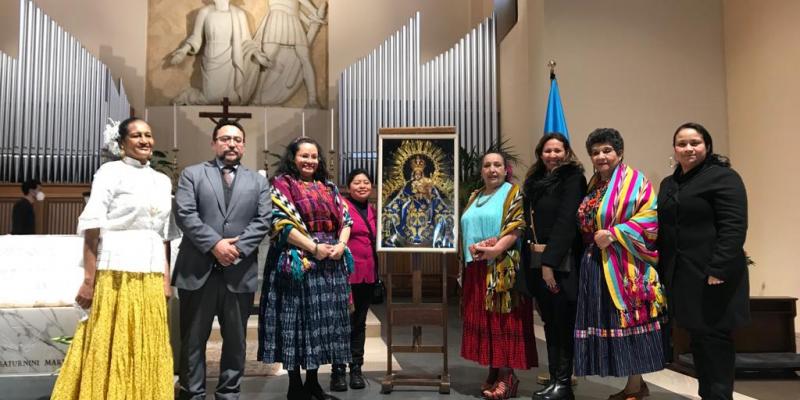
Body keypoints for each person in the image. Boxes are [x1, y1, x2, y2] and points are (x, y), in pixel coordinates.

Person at [51, 117, 177, 399]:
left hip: (151, 271)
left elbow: (164, 235)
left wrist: (166, 280)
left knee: (148, 340)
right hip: (115, 270)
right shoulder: (109, 172)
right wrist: (88, 280)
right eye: (136, 136)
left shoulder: (161, 179)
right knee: (111, 340)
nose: (144, 140)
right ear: (122, 143)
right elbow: (92, 227)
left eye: (148, 134)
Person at [173, 120, 271, 400]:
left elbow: (263, 220)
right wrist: (215, 244)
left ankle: (229, 393)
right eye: (225, 138)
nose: (231, 144)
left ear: (243, 145)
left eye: (237, 139)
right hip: (198, 271)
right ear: (214, 142)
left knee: (236, 342)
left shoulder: (258, 181)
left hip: (238, 272)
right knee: (192, 340)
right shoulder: (193, 174)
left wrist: (236, 250)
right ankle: (193, 393)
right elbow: (185, 214)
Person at [657, 122, 749, 400]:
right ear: (674, 149)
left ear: (707, 146)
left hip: (713, 276)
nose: (688, 148)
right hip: (683, 278)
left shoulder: (723, 177)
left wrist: (719, 268)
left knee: (716, 344)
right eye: (682, 143)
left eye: (694, 143)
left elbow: (734, 226)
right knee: (698, 343)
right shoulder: (669, 183)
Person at [573, 128, 666, 400]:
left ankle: (636, 386)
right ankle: (632, 384)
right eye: (595, 152)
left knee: (629, 321)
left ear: (619, 152)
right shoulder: (594, 185)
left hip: (625, 263)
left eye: (607, 150)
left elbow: (650, 219)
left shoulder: (636, 182)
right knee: (610, 322)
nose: (601, 156)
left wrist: (614, 233)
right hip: (595, 262)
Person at [258, 137, 353, 400]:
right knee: (294, 323)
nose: (310, 161)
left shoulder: (329, 187)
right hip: (297, 263)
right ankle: (294, 386)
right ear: (293, 158)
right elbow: (279, 224)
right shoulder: (281, 185)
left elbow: (346, 219)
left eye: (314, 156)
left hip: (328, 267)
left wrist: (341, 245)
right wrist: (313, 248)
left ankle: (313, 383)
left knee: (319, 325)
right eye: (304, 156)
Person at [460, 151, 537, 400]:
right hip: (477, 268)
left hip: (502, 269)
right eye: (487, 165)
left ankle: (507, 376)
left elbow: (518, 225)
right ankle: (494, 371)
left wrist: (495, 249)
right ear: (481, 171)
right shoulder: (475, 196)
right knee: (486, 321)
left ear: (506, 170)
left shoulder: (513, 192)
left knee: (504, 322)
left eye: (497, 165)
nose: (492, 169)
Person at [520, 133, 586, 400]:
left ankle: (564, 384)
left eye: (558, 150)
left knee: (563, 321)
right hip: (536, 261)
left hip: (561, 263)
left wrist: (549, 264)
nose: (553, 155)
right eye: (548, 151)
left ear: (567, 152)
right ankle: (555, 379)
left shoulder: (573, 179)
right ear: (540, 153)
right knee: (549, 322)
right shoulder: (535, 181)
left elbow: (566, 222)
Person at [330, 168, 377, 392]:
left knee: (359, 323)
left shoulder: (374, 211)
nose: (362, 186)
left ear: (372, 186)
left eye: (366, 182)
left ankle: (356, 368)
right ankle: (337, 371)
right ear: (348, 187)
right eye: (357, 182)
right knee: (340, 323)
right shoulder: (341, 207)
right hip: (345, 274)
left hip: (368, 274)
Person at [170, 0, 256, 105]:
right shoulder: (205, 12)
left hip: (232, 58)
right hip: (212, 56)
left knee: (232, 100)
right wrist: (183, 51)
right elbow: (196, 37)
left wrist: (257, 54)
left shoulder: (239, 13)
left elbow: (246, 40)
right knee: (210, 98)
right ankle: (187, 96)